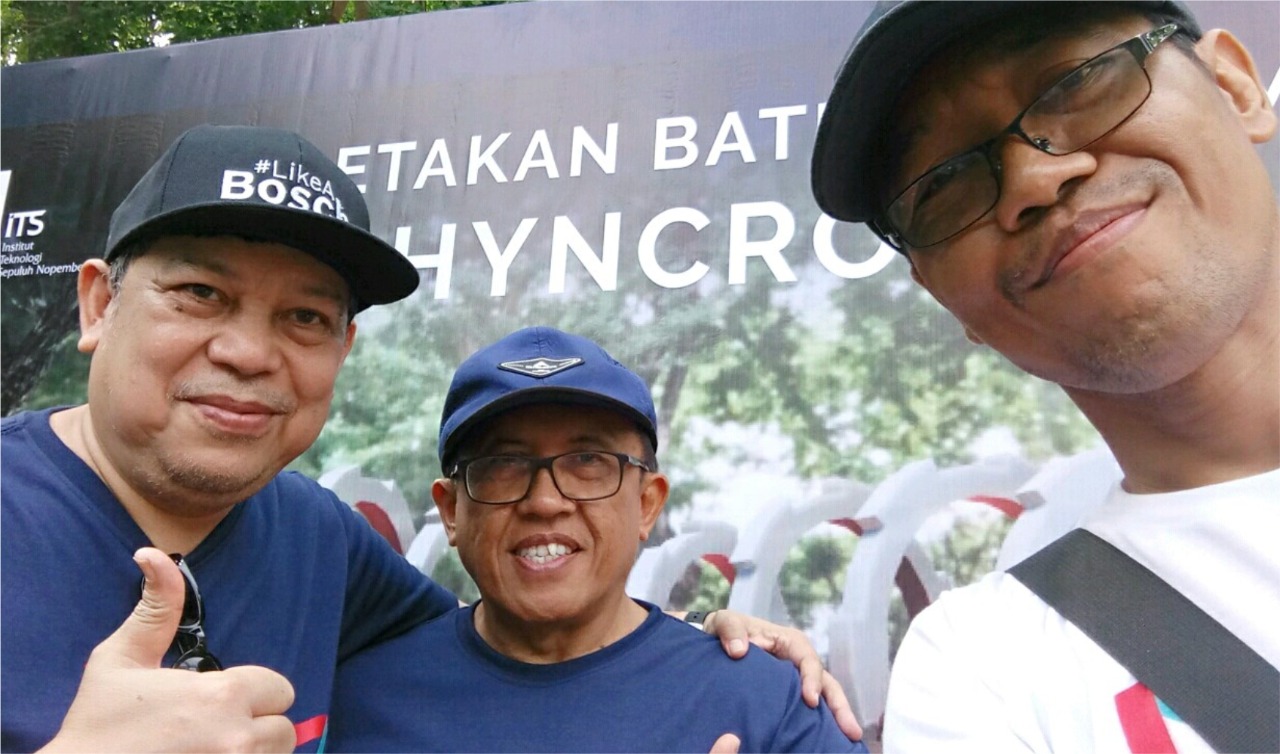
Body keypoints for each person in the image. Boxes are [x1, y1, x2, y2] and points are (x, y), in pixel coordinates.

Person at [2, 125, 856, 754]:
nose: (249, 352)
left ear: (341, 349)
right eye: (200, 293)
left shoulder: (318, 541)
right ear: (99, 304)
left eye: (305, 316)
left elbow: (529, 618)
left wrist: (704, 644)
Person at [811, 0, 1278, 749]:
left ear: (1234, 86)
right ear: (939, 297)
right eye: (944, 185)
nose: (1033, 178)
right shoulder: (982, 668)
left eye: (1080, 83)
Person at [327, 326, 867, 753]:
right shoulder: (354, 700)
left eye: (588, 461)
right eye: (504, 464)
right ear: (451, 511)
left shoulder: (768, 703)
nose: (545, 501)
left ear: (647, 504)